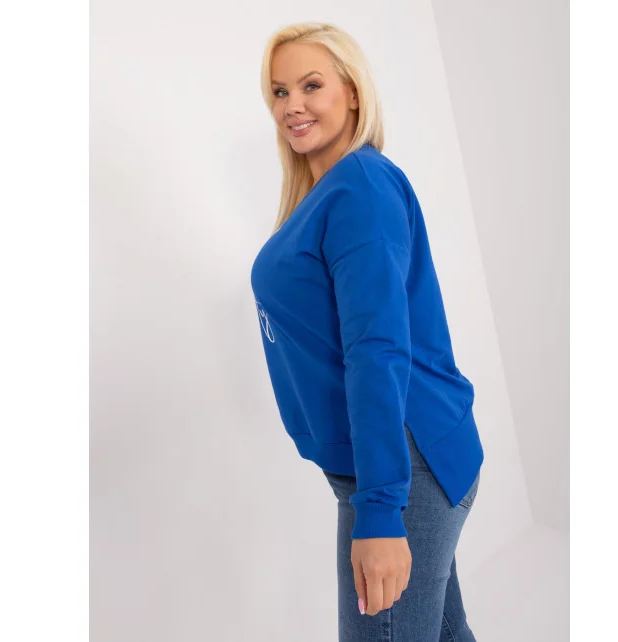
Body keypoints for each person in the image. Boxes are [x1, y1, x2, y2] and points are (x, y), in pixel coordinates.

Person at [251, 21, 484, 641]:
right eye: (279, 92)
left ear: (353, 92)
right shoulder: (329, 194)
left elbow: (375, 349)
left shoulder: (359, 187)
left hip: (404, 467)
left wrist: (381, 511)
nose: (292, 105)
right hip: (386, 466)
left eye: (311, 85)